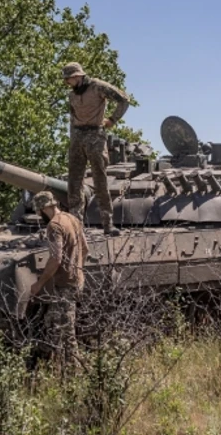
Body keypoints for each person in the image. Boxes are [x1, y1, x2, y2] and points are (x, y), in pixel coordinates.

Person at [61, 62, 130, 236]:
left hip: (95, 135)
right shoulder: (72, 95)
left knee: (100, 180)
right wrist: (73, 140)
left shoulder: (98, 87)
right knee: (74, 183)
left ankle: (108, 224)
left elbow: (124, 100)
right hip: (77, 137)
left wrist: (112, 120)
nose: (67, 83)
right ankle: (76, 226)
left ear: (77, 76)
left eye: (68, 79)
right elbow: (72, 118)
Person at [29, 190, 88, 367]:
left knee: (67, 332)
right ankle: (41, 359)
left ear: (42, 210)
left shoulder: (54, 226)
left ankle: (74, 373)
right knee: (52, 322)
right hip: (76, 281)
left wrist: (39, 284)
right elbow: (85, 249)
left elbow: (56, 259)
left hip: (65, 285)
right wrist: (77, 270)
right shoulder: (72, 219)